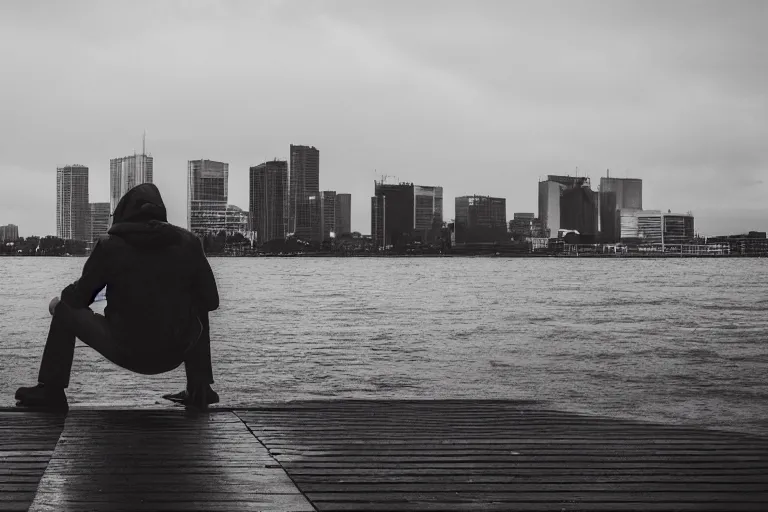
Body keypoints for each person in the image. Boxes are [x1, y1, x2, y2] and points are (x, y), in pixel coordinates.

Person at [15, 183, 220, 411]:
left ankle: (51, 391)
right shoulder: (189, 243)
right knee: (199, 305)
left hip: (127, 348)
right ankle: (199, 388)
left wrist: (56, 305)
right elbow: (211, 301)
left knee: (64, 308)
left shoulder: (109, 246)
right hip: (175, 350)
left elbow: (78, 298)